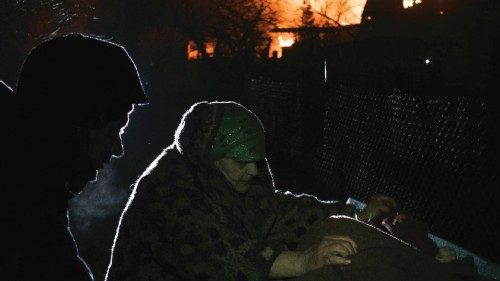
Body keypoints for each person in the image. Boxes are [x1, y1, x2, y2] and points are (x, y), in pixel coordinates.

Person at [105, 101, 396, 281]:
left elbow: (279, 212)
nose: (254, 171)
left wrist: (355, 213)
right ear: (213, 157)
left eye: (256, 162)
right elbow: (217, 255)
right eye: (241, 162)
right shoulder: (168, 191)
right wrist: (304, 261)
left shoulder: (226, 177)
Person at [2, 33, 148, 281]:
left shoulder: (30, 184)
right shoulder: (20, 204)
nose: (118, 149)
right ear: (77, 123)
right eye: (113, 131)